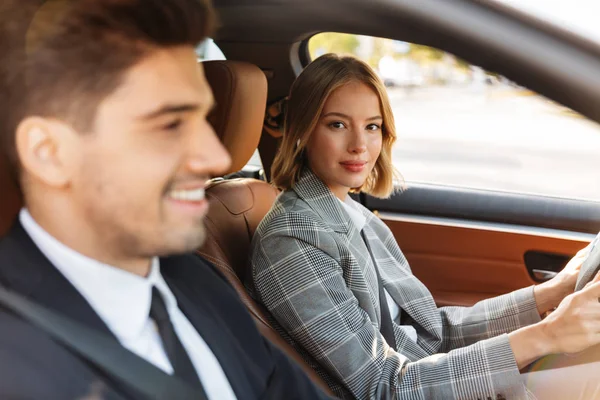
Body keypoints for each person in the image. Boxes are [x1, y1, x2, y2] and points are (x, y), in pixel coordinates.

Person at [0, 1, 333, 398]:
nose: (216, 158)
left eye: (205, 120)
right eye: (170, 123)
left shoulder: (194, 279)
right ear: (50, 153)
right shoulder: (15, 362)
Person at [248, 53, 600, 400]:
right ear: (304, 129)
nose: (359, 145)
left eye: (372, 126)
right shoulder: (292, 237)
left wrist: (553, 292)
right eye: (337, 124)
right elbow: (381, 386)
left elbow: (433, 331)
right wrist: (546, 336)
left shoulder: (356, 217)